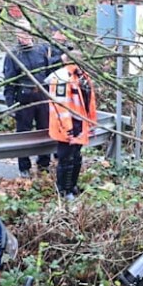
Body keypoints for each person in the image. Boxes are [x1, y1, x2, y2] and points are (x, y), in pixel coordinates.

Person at [4, 19, 51, 178]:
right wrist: (11, 105)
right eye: (20, 32)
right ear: (16, 34)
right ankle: (24, 166)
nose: (23, 36)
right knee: (23, 133)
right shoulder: (13, 54)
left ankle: (44, 163)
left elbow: (48, 73)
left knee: (44, 130)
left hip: (42, 96)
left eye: (26, 32)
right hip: (23, 98)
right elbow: (9, 81)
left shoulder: (41, 50)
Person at [47, 50, 97, 200]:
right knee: (66, 159)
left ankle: (72, 186)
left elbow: (89, 102)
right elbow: (60, 106)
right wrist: (67, 129)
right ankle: (64, 190)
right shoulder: (62, 78)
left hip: (79, 123)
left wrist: (90, 123)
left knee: (76, 157)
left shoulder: (82, 76)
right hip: (67, 124)